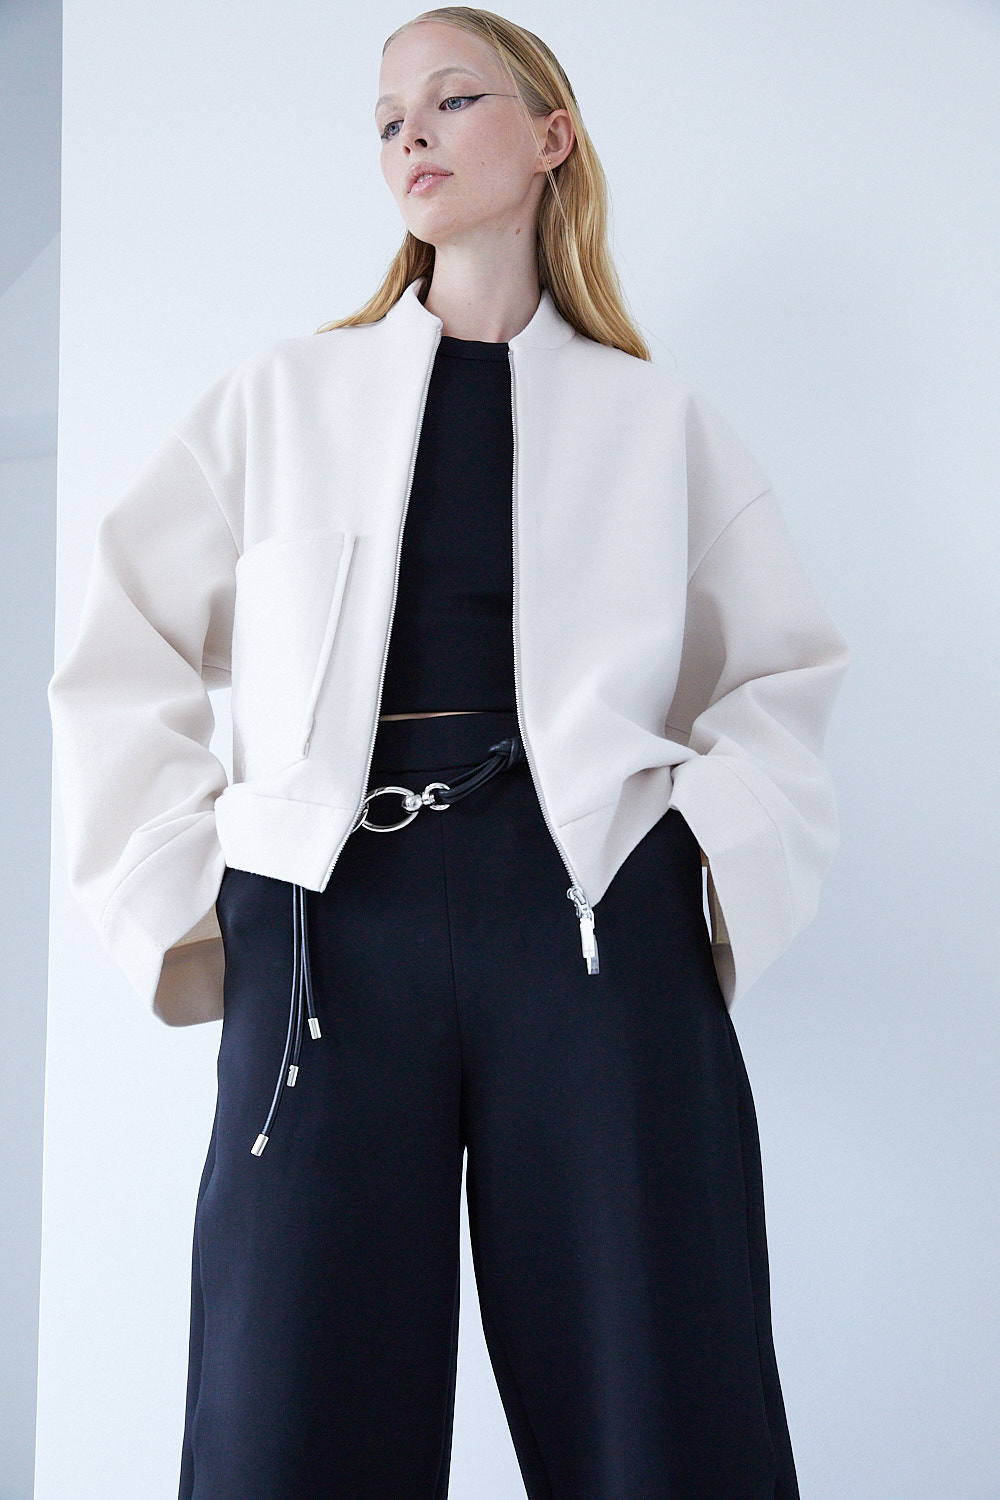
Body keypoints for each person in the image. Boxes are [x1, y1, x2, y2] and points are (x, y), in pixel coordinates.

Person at [47, 7, 851, 1497]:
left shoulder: (656, 418)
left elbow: (783, 672)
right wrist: (196, 884)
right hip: (325, 926)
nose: (407, 133)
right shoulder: (283, 398)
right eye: (385, 117)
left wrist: (694, 854)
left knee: (657, 1395)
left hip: (593, 917)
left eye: (451, 97)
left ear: (550, 136)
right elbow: (125, 639)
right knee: (287, 1404)